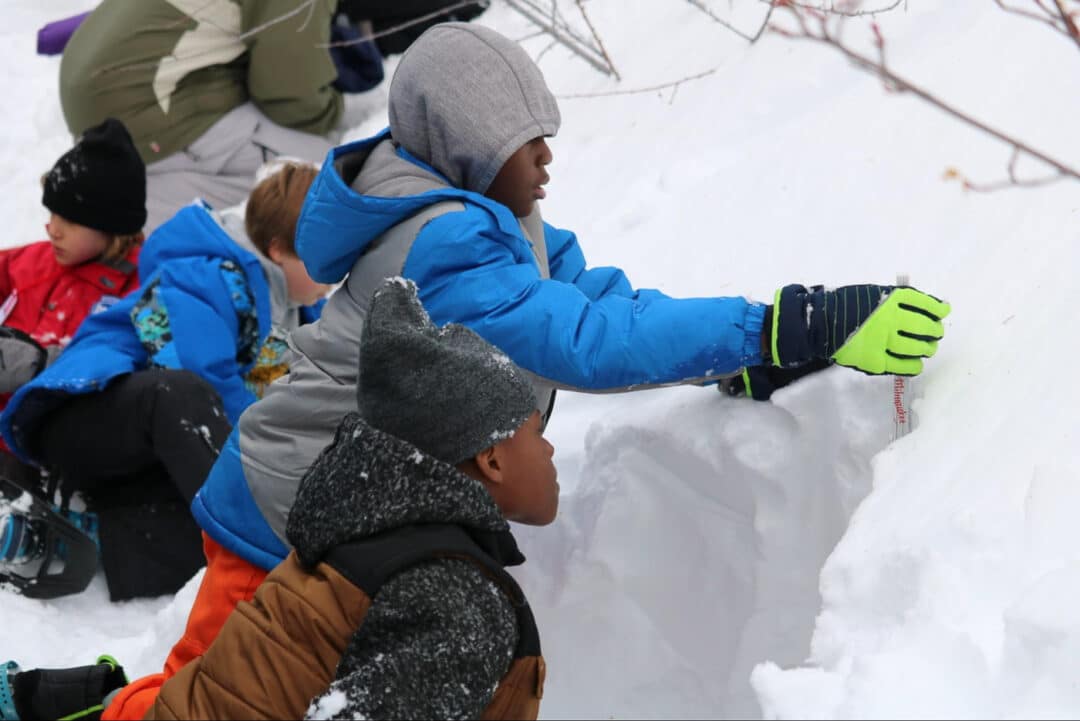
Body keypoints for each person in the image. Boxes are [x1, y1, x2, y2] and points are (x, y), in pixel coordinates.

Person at [98, 20, 952, 721]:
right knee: (210, 699)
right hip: (281, 501)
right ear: (464, 148)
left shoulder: (503, 220)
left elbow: (608, 308)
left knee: (255, 696)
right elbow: (582, 343)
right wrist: (782, 323)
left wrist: (739, 360)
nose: (546, 157)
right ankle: (88, 706)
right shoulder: (444, 240)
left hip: (357, 505)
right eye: (523, 140)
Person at [142, 278, 554, 720]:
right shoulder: (454, 593)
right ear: (490, 458)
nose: (549, 450)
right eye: (535, 431)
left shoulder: (368, 537)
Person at [0, 162, 330, 602]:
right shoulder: (204, 274)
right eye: (322, 261)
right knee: (187, 396)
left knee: (206, 536)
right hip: (83, 418)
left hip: (141, 461)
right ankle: (263, 550)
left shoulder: (292, 313)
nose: (331, 277)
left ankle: (92, 536)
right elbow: (205, 378)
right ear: (276, 251)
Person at [58, 0, 346, 232]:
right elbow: (288, 95)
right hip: (144, 109)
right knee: (325, 170)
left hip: (106, 95)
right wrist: (334, 104)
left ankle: (130, 184)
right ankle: (143, 208)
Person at [0, 118, 145, 489]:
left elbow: (126, 366)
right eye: (51, 215)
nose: (53, 229)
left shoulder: (139, 289)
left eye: (70, 220)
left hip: (46, 457)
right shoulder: (32, 263)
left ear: (111, 226)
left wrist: (38, 362)